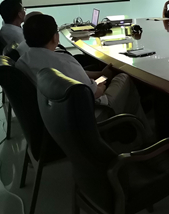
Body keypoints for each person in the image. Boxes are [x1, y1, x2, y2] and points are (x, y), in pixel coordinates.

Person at [16, 14, 154, 138]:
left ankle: (132, 130)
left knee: (110, 80)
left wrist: (101, 74)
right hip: (91, 113)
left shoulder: (23, 61)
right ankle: (143, 135)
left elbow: (73, 75)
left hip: (56, 114)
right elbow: (95, 93)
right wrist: (102, 84)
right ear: (55, 37)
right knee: (124, 77)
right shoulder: (63, 61)